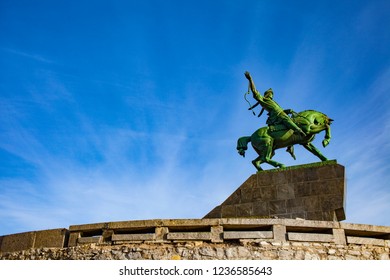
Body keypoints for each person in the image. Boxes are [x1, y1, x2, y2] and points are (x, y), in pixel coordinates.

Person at [244, 71, 306, 137]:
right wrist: (250, 79)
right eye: (269, 93)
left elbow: (279, 110)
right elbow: (254, 91)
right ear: (266, 94)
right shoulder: (263, 99)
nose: (271, 95)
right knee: (286, 119)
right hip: (278, 116)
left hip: (281, 113)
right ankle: (298, 130)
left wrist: (287, 111)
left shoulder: (272, 102)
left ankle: (290, 145)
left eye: (272, 94)